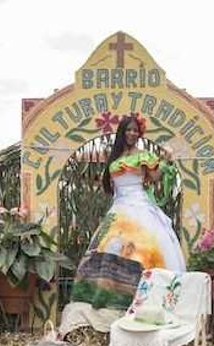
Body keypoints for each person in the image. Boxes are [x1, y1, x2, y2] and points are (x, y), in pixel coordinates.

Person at [60, 114, 185, 332]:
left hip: (140, 207)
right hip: (119, 209)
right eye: (128, 129)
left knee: (143, 252)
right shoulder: (114, 157)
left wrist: (167, 160)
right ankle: (105, 299)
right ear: (122, 132)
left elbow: (156, 179)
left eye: (136, 130)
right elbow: (113, 186)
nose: (132, 133)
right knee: (105, 248)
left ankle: (145, 302)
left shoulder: (144, 156)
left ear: (140, 133)